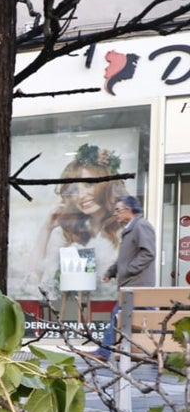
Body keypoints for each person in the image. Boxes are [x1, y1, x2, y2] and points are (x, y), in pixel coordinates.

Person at [26, 145, 126, 302]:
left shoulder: (124, 232)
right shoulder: (67, 233)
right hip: (70, 310)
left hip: (110, 310)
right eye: (73, 191)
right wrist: (47, 228)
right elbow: (34, 280)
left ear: (107, 186)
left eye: (88, 184)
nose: (80, 196)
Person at [86, 194, 156, 363]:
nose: (115, 214)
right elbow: (125, 258)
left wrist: (129, 270)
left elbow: (148, 253)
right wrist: (112, 271)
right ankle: (163, 352)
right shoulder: (131, 229)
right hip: (133, 283)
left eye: (118, 210)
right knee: (150, 319)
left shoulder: (141, 226)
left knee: (119, 314)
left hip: (137, 284)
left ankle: (104, 352)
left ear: (129, 210)